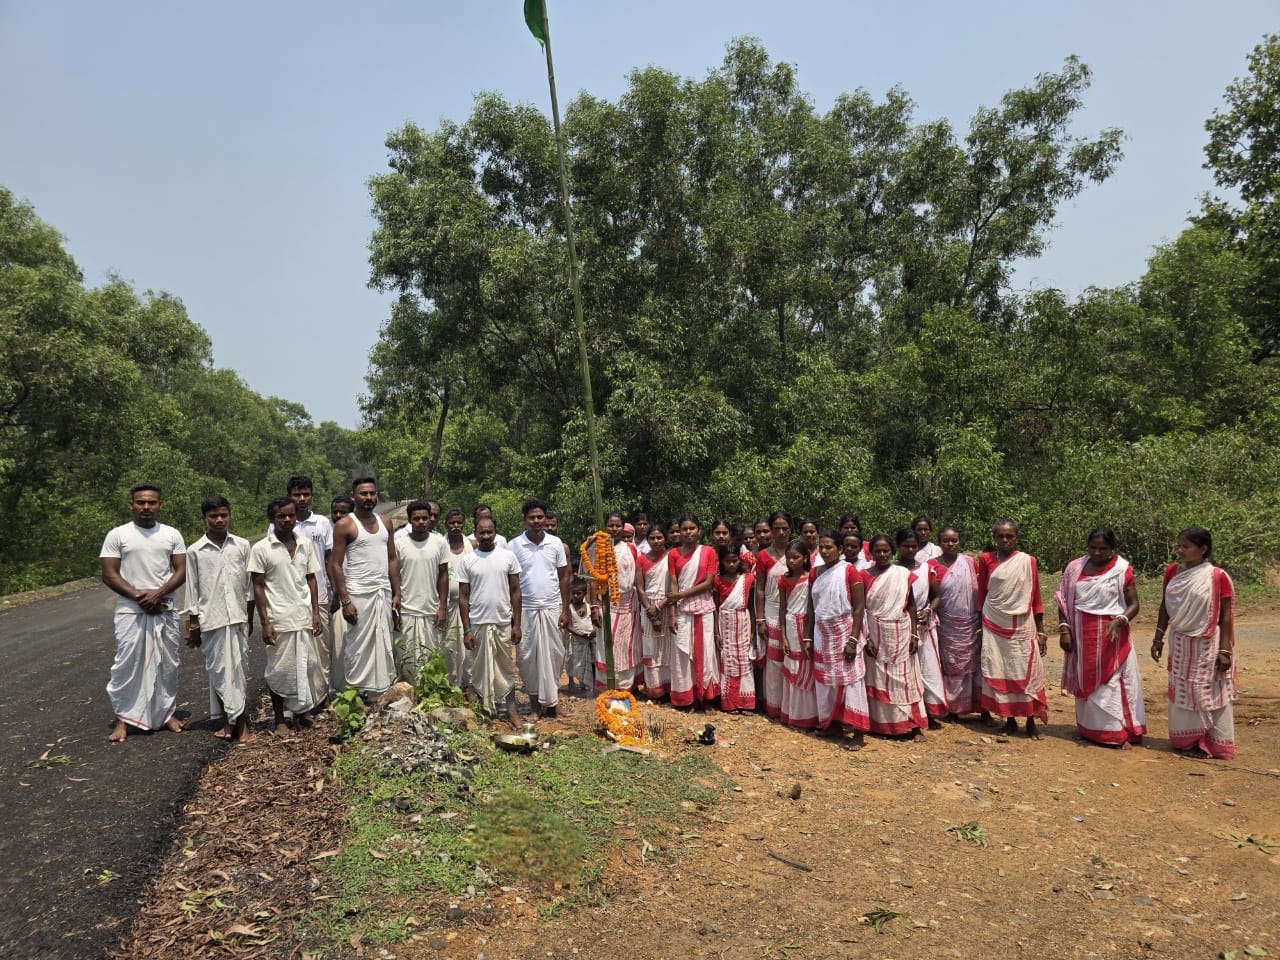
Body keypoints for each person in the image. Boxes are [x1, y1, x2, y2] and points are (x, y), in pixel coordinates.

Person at [100, 484, 188, 743]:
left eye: (152, 502)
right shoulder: (118, 535)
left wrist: (158, 594)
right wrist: (140, 597)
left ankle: (166, 714)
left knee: (166, 662)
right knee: (128, 663)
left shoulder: (171, 534)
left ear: (160, 505)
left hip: (166, 606)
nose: (146, 507)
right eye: (141, 502)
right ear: (132, 505)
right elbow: (109, 573)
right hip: (130, 608)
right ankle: (124, 719)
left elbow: (181, 571)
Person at [1151, 527, 1237, 759]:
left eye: (1185, 546)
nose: (1180, 550)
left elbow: (1226, 616)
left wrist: (1225, 651)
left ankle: (1210, 743)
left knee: (1208, 690)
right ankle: (1186, 740)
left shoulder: (1218, 577)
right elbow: (1165, 606)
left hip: (1208, 644)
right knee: (1182, 690)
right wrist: (1158, 637)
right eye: (1179, 545)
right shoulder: (1172, 572)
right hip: (1180, 644)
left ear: (1203, 549)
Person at [1055, 527, 1145, 748]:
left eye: (1102, 549)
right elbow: (1064, 601)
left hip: (1112, 636)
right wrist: (1065, 630)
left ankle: (1116, 733)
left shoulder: (1122, 569)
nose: (1096, 552)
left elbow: (1134, 604)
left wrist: (1120, 620)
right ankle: (1090, 730)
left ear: (1112, 549)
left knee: (1111, 682)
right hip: (1081, 635)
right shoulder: (1075, 568)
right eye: (1092, 548)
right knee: (1086, 681)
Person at [249, 497, 325, 733]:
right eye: (281, 516)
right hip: (279, 619)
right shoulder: (261, 548)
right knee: (280, 671)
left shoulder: (304, 544)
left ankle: (302, 713)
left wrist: (315, 613)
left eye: (290, 515)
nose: (287, 520)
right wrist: (265, 622)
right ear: (272, 518)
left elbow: (311, 579)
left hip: (302, 617)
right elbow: (258, 587)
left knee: (307, 664)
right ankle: (280, 718)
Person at [184, 496, 254, 742]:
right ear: (204, 518)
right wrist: (192, 627)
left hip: (238, 618)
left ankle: (240, 725)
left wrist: (251, 618)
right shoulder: (194, 551)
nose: (219, 520)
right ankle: (231, 721)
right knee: (219, 672)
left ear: (230, 515)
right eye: (213, 516)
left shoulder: (242, 545)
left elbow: (249, 588)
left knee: (238, 670)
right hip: (211, 621)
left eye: (223, 514)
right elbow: (191, 592)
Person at [330, 477, 401, 699]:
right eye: (363, 493)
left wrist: (397, 592)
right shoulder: (345, 525)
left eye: (372, 493)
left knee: (383, 643)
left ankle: (379, 695)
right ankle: (357, 695)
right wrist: (345, 600)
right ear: (353, 496)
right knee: (358, 648)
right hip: (358, 594)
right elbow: (335, 564)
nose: (369, 498)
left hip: (382, 592)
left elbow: (392, 559)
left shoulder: (385, 522)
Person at [978, 520, 1048, 740]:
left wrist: (1041, 629)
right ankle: (1008, 719)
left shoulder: (1027, 561)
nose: (1005, 540)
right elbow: (982, 593)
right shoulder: (985, 560)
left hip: (1022, 623)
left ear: (1017, 537)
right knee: (1001, 669)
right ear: (994, 538)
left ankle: (1030, 720)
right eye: (1000, 536)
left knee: (1025, 669)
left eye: (1009, 536)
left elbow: (1035, 595)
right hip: (992, 621)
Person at [457, 516, 523, 727]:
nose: (485, 536)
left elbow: (515, 592)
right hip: (478, 624)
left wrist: (517, 624)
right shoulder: (467, 560)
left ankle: (511, 710)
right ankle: (487, 712)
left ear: (495, 532)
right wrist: (467, 629)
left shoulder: (508, 556)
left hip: (503, 621)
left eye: (489, 532)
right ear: (475, 533)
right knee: (480, 670)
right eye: (481, 532)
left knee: (506, 668)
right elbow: (463, 597)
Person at [508, 498, 570, 718]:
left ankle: (553, 704)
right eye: (532, 517)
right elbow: (512, 583)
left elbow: (564, 577)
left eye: (540, 517)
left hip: (552, 607)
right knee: (526, 658)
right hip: (526, 610)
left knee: (555, 655)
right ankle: (535, 706)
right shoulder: (514, 545)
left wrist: (565, 609)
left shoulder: (555, 543)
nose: (536, 521)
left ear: (545, 518)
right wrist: (514, 620)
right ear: (525, 520)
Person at [806, 531, 869, 747]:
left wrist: (853, 640)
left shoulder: (850, 572)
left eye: (829, 547)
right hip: (822, 632)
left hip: (844, 631)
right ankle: (831, 724)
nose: (824, 551)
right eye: (821, 547)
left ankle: (858, 733)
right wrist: (807, 637)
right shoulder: (815, 574)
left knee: (851, 680)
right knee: (826, 681)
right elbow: (811, 608)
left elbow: (859, 609)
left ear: (840, 550)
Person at [863, 534, 926, 740]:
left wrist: (915, 634)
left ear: (892, 552)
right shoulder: (863, 575)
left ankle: (913, 726)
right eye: (878, 551)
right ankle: (883, 726)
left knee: (906, 678)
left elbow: (911, 605)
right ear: (871, 553)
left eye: (886, 551)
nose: (882, 555)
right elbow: (860, 609)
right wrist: (866, 638)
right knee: (878, 678)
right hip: (875, 633)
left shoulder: (902, 573)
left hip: (902, 632)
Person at [282, 475, 335, 703]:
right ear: (289, 496)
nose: (302, 499)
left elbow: (329, 559)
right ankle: (300, 700)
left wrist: (335, 593)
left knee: (321, 649)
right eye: (297, 495)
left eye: (306, 494)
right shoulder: (280, 524)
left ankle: (322, 697)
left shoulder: (322, 523)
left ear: (312, 496)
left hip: (319, 595)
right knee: (295, 653)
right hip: (289, 597)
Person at [663, 515, 720, 708]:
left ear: (699, 530)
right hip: (681, 610)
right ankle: (686, 698)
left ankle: (706, 698)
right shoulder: (673, 555)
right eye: (684, 529)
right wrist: (671, 615)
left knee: (704, 651)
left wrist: (681, 595)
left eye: (692, 528)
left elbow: (709, 583)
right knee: (682, 653)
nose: (688, 532)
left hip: (703, 607)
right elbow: (673, 586)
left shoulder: (709, 552)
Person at [930, 526, 984, 718]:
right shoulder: (931, 565)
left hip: (971, 623)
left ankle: (980, 708)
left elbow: (978, 591)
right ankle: (953, 708)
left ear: (960, 542)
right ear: (939, 543)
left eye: (954, 540)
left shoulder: (969, 563)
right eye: (946, 540)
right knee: (950, 666)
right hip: (945, 624)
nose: (950, 544)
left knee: (974, 665)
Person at [394, 500, 450, 683]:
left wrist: (442, 606)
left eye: (424, 518)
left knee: (431, 654)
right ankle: (407, 692)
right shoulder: (399, 543)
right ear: (409, 520)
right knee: (406, 655)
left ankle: (428, 692)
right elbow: (394, 576)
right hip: (406, 609)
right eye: (416, 518)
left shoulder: (440, 543)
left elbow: (443, 575)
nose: (421, 522)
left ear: (430, 519)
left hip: (430, 609)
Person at [898, 528, 948, 726]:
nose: (910, 550)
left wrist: (928, 611)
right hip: (901, 627)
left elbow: (937, 596)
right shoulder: (894, 570)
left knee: (928, 669)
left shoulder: (926, 569)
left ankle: (929, 711)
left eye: (913, 546)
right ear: (898, 547)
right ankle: (909, 711)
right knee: (907, 671)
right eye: (905, 546)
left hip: (924, 626)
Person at [596, 512, 641, 692]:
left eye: (618, 526)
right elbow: (592, 579)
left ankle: (626, 687)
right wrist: (594, 606)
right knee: (606, 645)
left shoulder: (631, 549)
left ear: (623, 527)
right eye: (611, 525)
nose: (614, 529)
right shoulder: (598, 548)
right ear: (604, 526)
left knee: (626, 645)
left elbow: (637, 577)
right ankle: (606, 686)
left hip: (628, 604)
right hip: (605, 605)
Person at [754, 511, 791, 720]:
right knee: (772, 660)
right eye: (776, 528)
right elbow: (759, 589)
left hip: (794, 611)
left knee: (791, 658)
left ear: (790, 529)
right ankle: (774, 705)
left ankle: (791, 706)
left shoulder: (797, 552)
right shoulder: (764, 555)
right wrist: (760, 619)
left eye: (785, 528)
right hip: (771, 610)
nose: (780, 532)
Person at [777, 540, 818, 730]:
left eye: (796, 557)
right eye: (788, 558)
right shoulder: (783, 580)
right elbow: (782, 609)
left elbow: (812, 606)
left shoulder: (811, 577)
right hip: (792, 626)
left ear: (805, 558)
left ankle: (810, 715)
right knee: (793, 668)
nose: (792, 561)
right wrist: (783, 636)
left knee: (808, 668)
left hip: (808, 625)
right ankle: (794, 714)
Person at [714, 544, 756, 713]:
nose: (731, 565)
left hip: (743, 621)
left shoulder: (748, 579)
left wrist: (753, 630)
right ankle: (730, 702)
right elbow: (716, 606)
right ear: (721, 562)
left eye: (734, 561)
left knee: (744, 659)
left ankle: (746, 702)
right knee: (728, 659)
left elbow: (751, 607)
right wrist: (717, 633)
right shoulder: (717, 580)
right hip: (724, 622)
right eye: (727, 561)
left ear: (739, 560)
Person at [637, 524, 673, 699]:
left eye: (659, 537)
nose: (656, 541)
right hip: (647, 606)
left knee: (668, 648)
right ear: (648, 540)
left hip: (668, 605)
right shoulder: (642, 559)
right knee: (651, 648)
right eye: (652, 538)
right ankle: (654, 690)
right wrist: (650, 610)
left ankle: (670, 688)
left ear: (665, 538)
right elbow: (640, 587)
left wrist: (659, 607)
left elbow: (675, 586)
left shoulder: (672, 556)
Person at [440, 508, 475, 689]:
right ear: (446, 524)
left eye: (459, 523)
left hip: (469, 606)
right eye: (452, 523)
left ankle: (468, 685)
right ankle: (450, 686)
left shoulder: (472, 546)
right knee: (449, 648)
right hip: (448, 605)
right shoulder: (440, 545)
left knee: (469, 647)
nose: (455, 526)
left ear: (464, 524)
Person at [327, 495, 354, 693]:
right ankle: (340, 688)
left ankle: (357, 685)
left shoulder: (355, 532)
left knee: (353, 641)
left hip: (355, 594)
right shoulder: (328, 532)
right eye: (335, 511)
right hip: (334, 598)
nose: (337, 515)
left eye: (342, 512)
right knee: (337, 644)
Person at [564, 577, 596, 694]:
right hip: (575, 640)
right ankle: (571, 681)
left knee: (587, 661)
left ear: (585, 593)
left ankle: (585, 682)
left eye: (579, 593)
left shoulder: (588, 606)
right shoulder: (569, 608)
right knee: (572, 661)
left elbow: (593, 621)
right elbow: (568, 626)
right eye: (573, 594)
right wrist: (581, 634)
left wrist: (594, 631)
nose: (576, 596)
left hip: (588, 640)